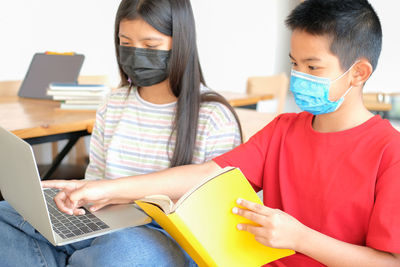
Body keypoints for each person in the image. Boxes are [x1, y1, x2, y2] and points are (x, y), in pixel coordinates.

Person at [41, 0, 400, 266]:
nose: (298, 76)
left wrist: (300, 238)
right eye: (293, 63)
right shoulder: (282, 131)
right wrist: (102, 189)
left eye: (312, 66)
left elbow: (389, 262)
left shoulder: (389, 151)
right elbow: (206, 175)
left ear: (358, 73)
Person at [0, 0, 242, 266]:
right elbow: (96, 179)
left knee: (122, 253)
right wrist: (75, 198)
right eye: (126, 43)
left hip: (163, 234)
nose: (136, 54)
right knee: (6, 215)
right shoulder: (113, 103)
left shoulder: (213, 116)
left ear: (181, 43)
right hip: (99, 217)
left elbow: (213, 215)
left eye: (150, 46)